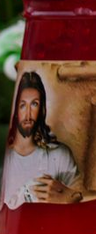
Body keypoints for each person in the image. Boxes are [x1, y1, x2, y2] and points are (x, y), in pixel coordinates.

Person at [2, 71, 82, 209]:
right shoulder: (5, 157)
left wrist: (69, 198)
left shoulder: (59, 155)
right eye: (22, 105)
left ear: (42, 109)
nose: (28, 114)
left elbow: (80, 199)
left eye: (34, 104)